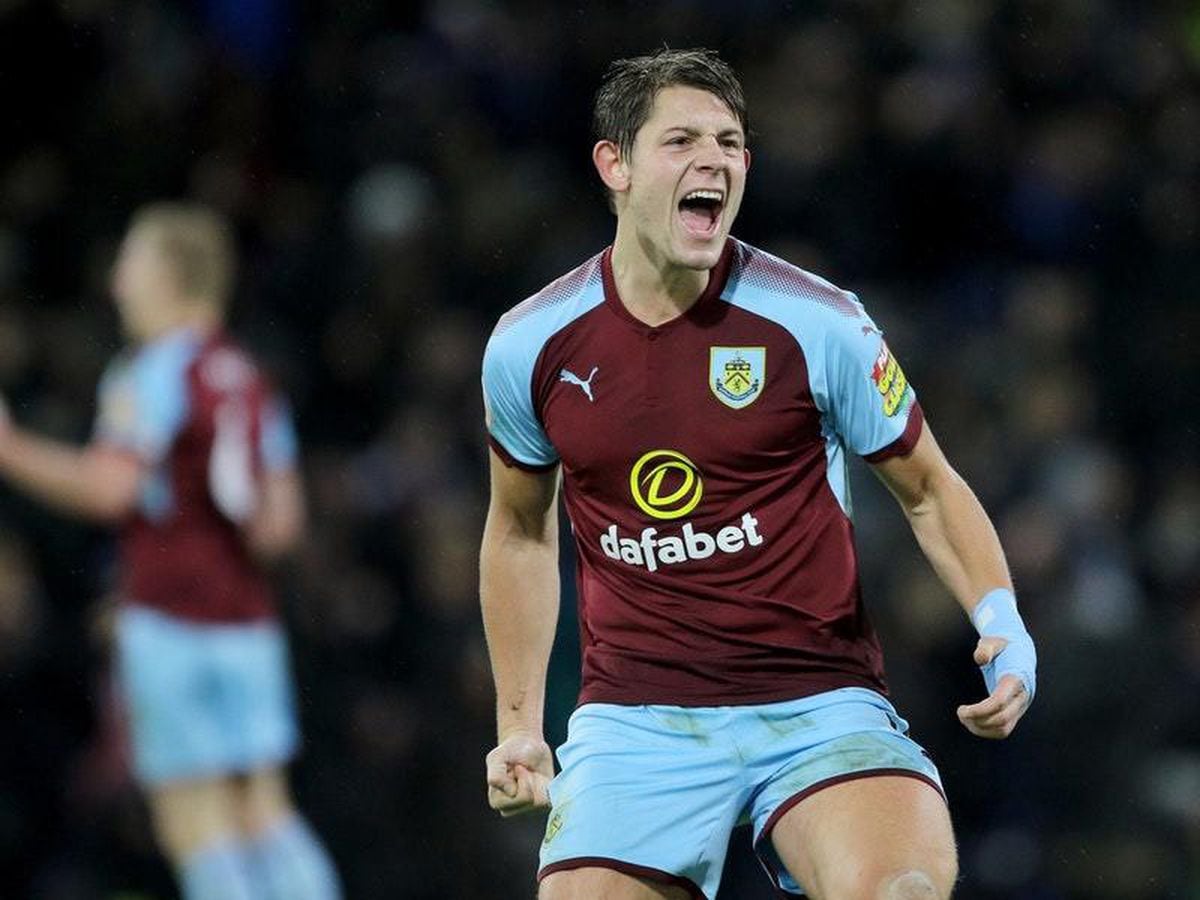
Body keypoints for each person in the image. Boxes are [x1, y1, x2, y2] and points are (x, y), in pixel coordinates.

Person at [479, 48, 1036, 900]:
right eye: (682, 141)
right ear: (614, 164)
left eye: (731, 142)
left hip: (819, 706)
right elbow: (519, 529)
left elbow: (927, 486)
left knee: (902, 894)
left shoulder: (820, 322)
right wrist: (519, 725)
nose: (715, 160)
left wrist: (1003, 621)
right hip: (636, 723)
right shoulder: (530, 346)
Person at [0, 203, 341, 900]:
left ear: (168, 274)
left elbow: (110, 489)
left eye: (130, 262)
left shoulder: (149, 373)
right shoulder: (247, 378)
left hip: (169, 622)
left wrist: (8, 449)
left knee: (196, 824)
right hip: (247, 625)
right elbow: (279, 525)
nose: (118, 283)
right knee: (266, 814)